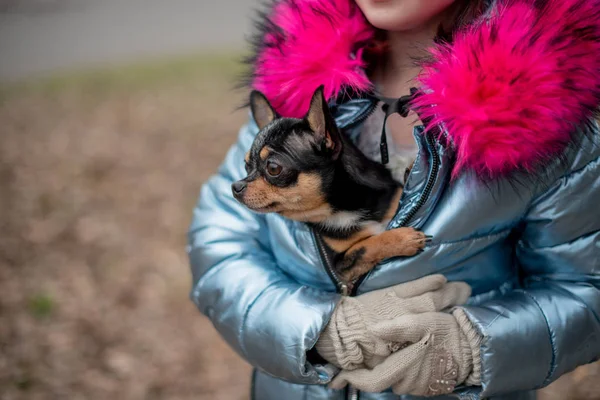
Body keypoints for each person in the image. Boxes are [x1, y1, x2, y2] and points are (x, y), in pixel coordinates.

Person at [188, 0, 600, 398]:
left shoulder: (551, 117)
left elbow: (585, 288)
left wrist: (473, 347)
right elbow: (219, 240)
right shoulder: (290, 87)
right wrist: (313, 328)